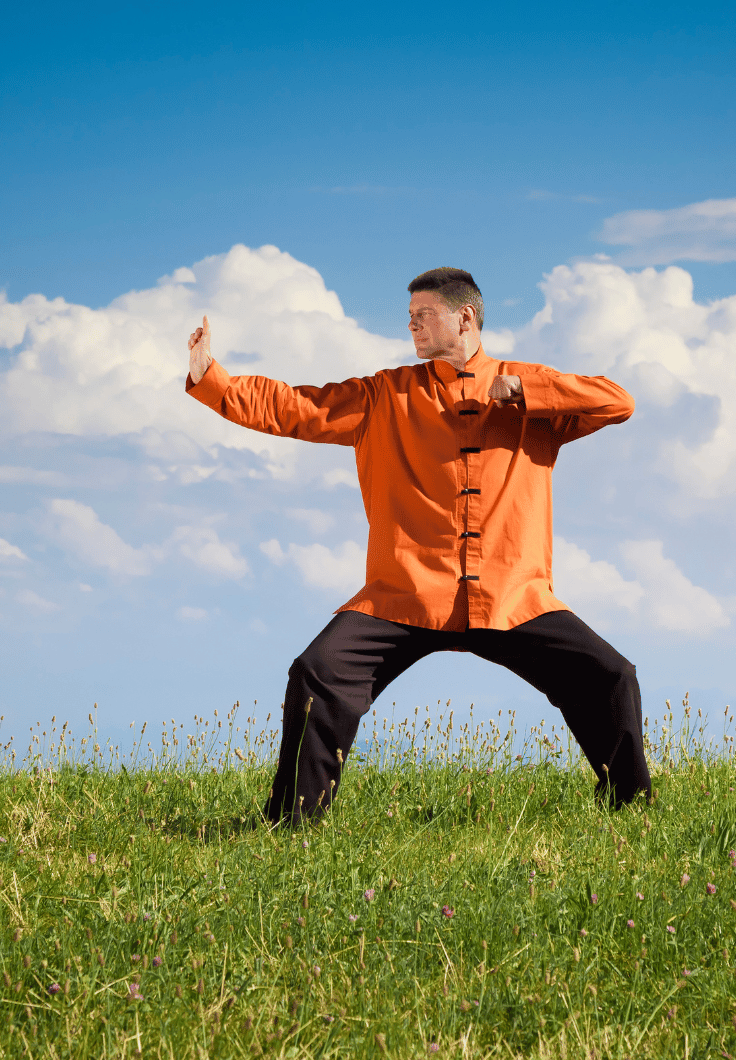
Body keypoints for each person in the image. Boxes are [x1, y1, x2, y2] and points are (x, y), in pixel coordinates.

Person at [186, 267, 652, 824]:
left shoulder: (532, 389)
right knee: (318, 671)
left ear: (465, 317)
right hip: (405, 595)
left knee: (610, 676)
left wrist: (529, 393)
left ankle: (632, 813)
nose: (410, 325)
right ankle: (292, 823)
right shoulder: (386, 395)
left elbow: (617, 402)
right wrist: (212, 378)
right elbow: (294, 407)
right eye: (408, 316)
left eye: (422, 314)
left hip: (511, 597)